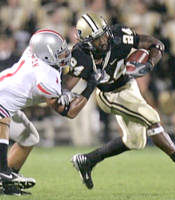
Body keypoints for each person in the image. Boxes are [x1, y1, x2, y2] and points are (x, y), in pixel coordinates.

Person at [69, 13, 175, 189]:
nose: (104, 40)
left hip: (129, 85)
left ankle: (87, 160)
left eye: (104, 34)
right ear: (87, 43)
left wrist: (149, 64)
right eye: (98, 39)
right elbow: (65, 85)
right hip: (108, 95)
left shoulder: (119, 36)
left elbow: (156, 44)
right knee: (150, 116)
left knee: (135, 141)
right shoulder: (80, 55)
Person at [0, 29, 105, 195]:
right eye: (60, 52)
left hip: (6, 100)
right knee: (2, 119)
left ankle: (6, 183)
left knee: (29, 138)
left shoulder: (33, 52)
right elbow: (70, 112)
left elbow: (60, 83)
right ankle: (2, 171)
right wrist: (91, 85)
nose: (65, 55)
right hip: (2, 103)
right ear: (47, 56)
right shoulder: (45, 78)